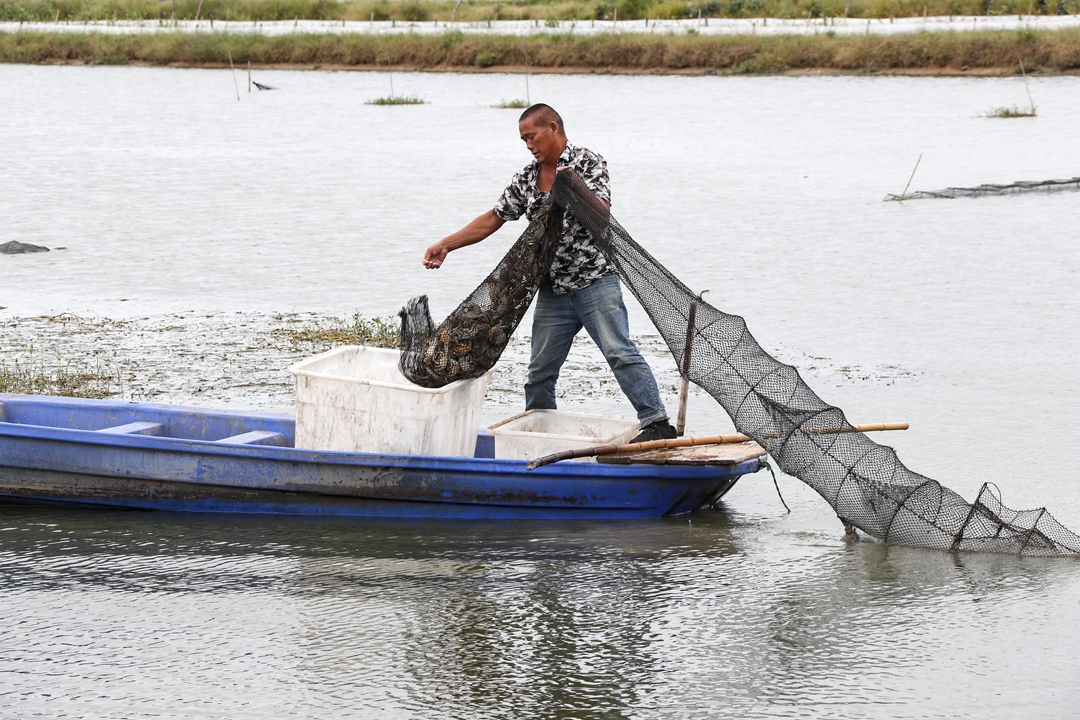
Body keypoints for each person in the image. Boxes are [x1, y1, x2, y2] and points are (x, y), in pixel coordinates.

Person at [422, 104, 676, 443]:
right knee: (540, 371)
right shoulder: (527, 178)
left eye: (532, 136)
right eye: (523, 139)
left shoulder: (587, 163)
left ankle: (656, 423)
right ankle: (539, 435)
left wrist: (569, 184)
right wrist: (447, 245)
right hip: (553, 291)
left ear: (553, 128)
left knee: (619, 351)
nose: (528, 144)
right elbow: (494, 217)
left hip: (595, 282)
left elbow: (602, 216)